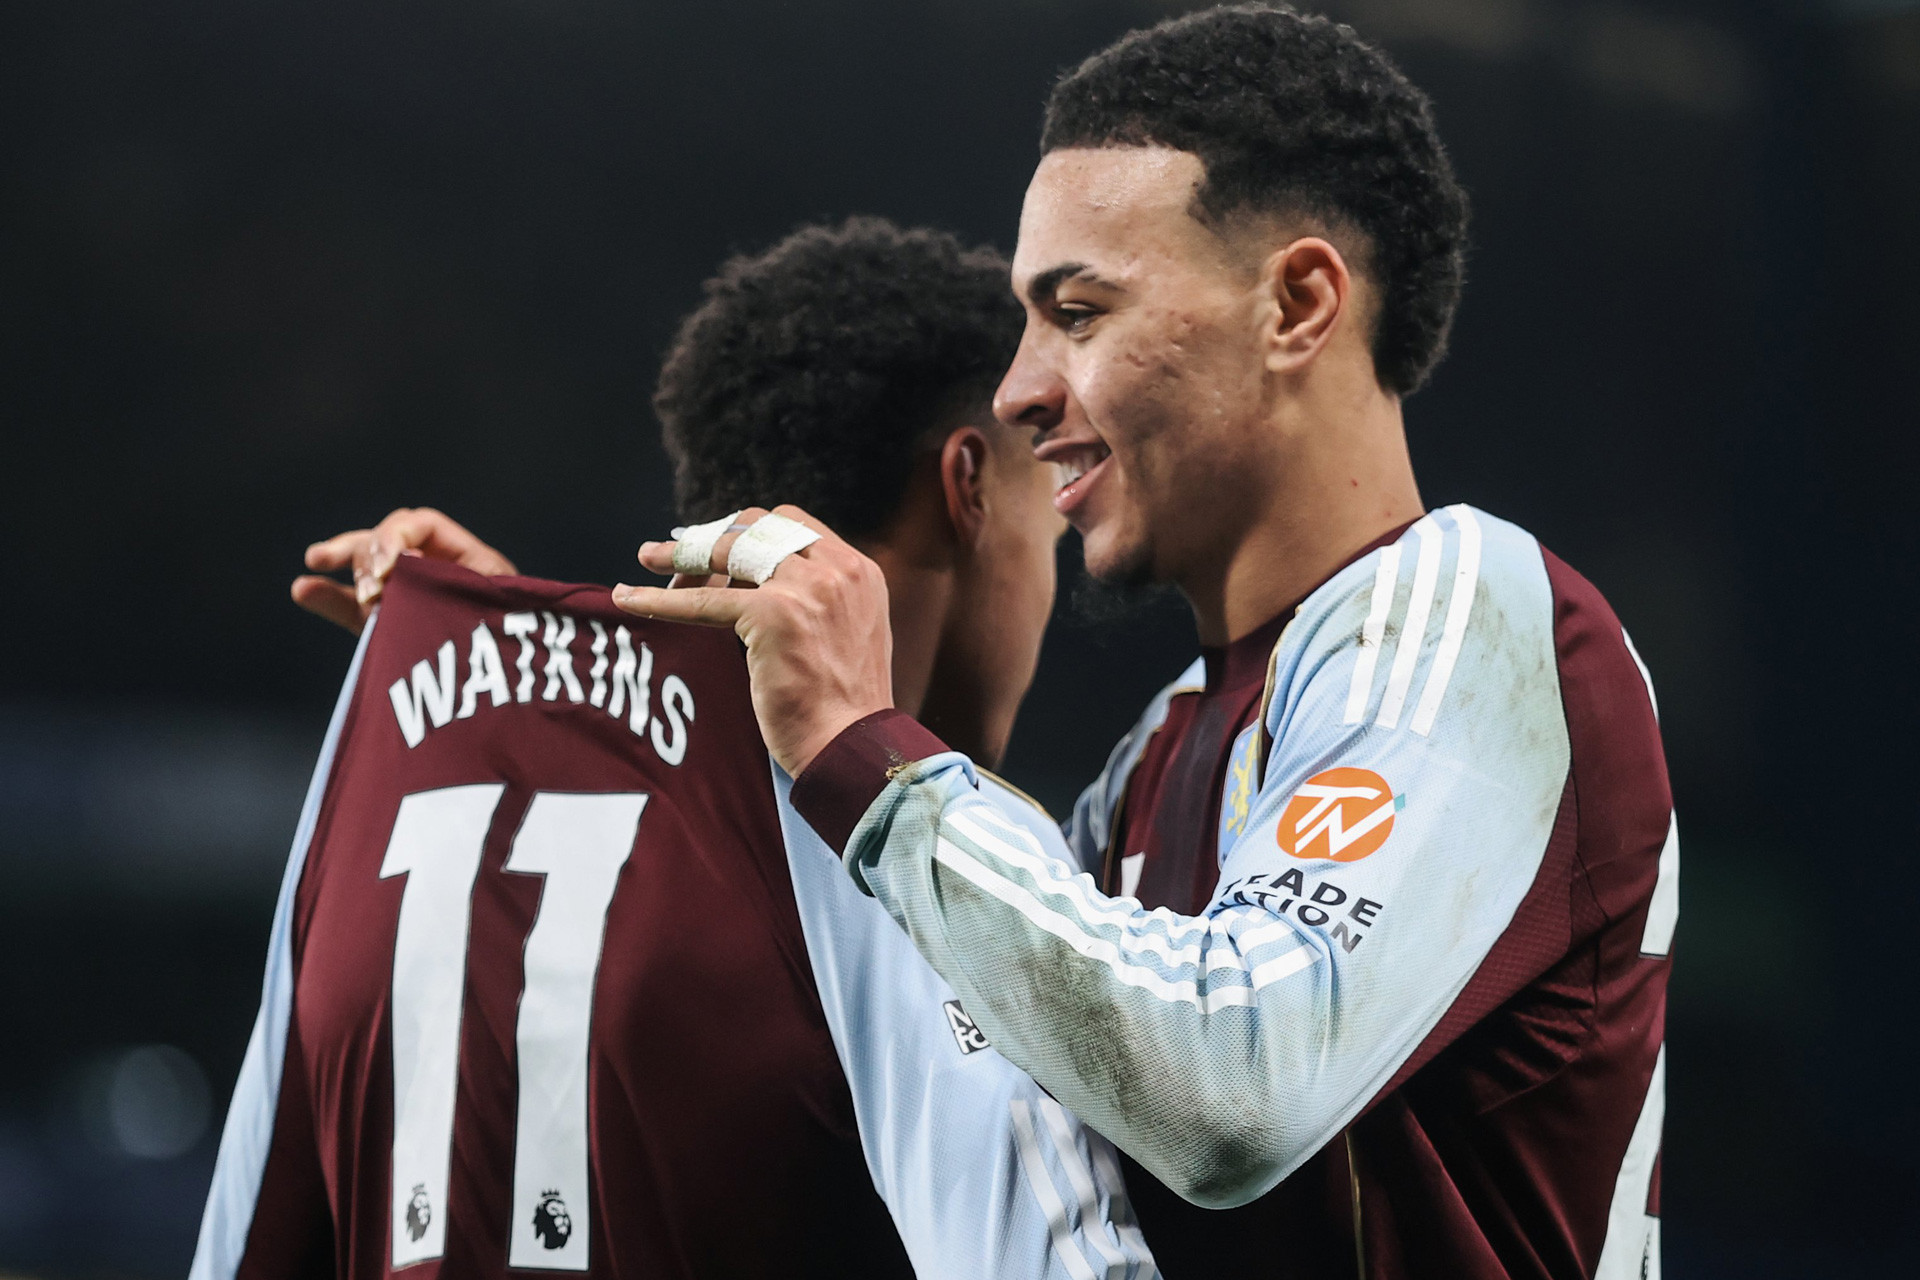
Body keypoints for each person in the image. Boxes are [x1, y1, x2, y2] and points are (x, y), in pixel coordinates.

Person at [617, 7, 1676, 1278]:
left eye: (1077, 310)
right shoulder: (1164, 749)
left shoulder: (1471, 614)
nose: (1018, 389)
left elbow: (1231, 1088)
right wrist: (545, 673)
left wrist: (871, 759)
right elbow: (970, 1085)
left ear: (1297, 304)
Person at [193, 218, 1155, 1279]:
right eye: (1046, 528)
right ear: (967, 484)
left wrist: (527, 690)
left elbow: (248, 1244)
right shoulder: (916, 835)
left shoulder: (393, 765)